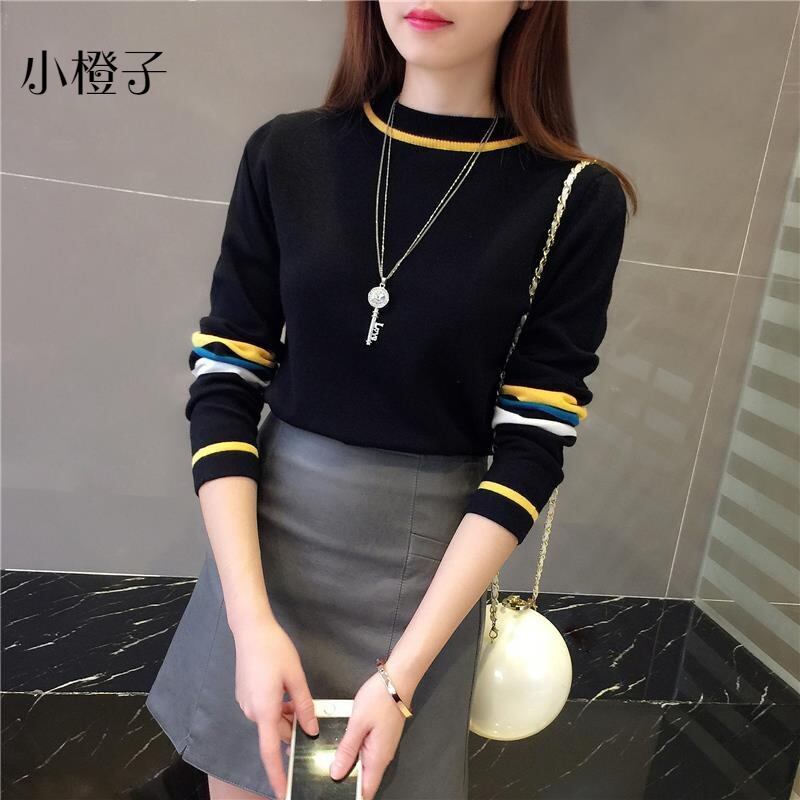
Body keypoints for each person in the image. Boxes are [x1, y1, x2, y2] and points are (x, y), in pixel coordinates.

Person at [145, 2, 637, 799]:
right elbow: (226, 381)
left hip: (426, 583)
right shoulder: (287, 153)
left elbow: (534, 441)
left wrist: (401, 676)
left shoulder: (575, 200)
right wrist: (249, 621)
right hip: (263, 564)